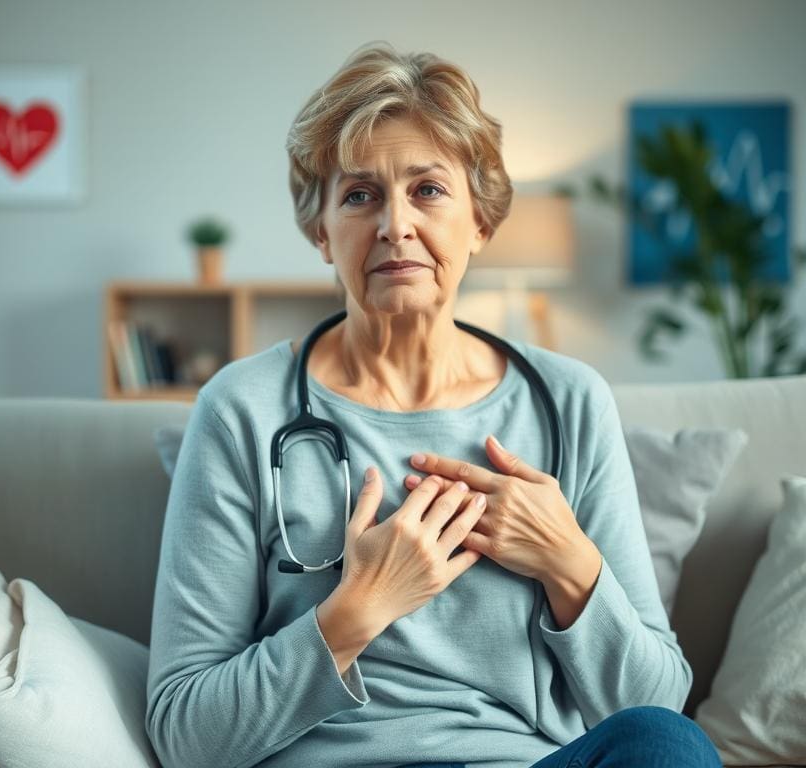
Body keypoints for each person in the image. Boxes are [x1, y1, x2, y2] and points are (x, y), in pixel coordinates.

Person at [146, 42, 723, 768]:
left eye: (427, 190)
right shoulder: (242, 409)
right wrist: (356, 609)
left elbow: (653, 698)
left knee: (667, 742)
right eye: (359, 195)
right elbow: (183, 735)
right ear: (321, 230)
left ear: (479, 222)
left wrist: (569, 563)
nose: (395, 224)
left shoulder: (570, 402)